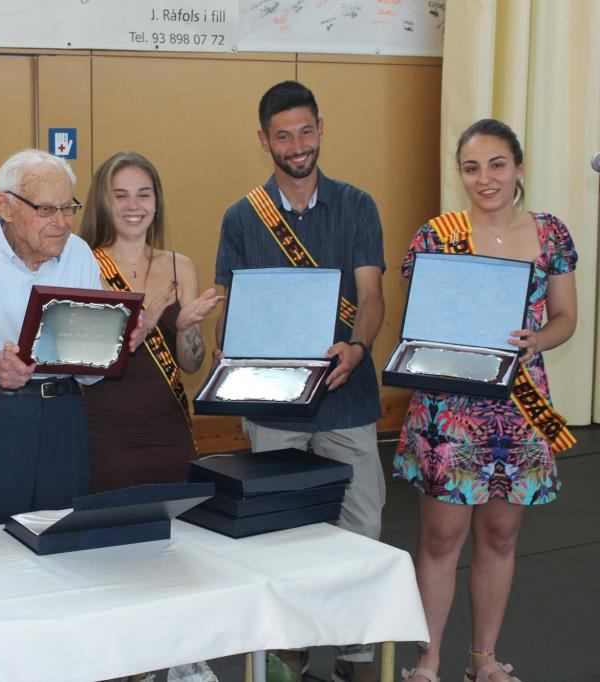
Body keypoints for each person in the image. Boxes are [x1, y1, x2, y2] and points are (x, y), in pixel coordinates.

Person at [214, 80, 386, 682]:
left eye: (306, 130)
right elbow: (236, 314)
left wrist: (358, 346)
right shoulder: (241, 218)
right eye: (283, 134)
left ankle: (356, 654)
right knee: (280, 532)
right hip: (274, 406)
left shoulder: (358, 205)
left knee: (361, 526)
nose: (297, 144)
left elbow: (371, 296)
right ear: (264, 140)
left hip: (348, 395)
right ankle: (288, 657)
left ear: (321, 128)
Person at [395, 119, 578, 682]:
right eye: (472, 168)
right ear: (461, 175)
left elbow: (566, 318)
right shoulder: (436, 234)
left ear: (519, 168)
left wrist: (536, 341)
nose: (485, 178)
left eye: (497, 164)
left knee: (500, 535)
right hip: (450, 408)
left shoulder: (551, 234)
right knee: (440, 537)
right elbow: (422, 322)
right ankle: (427, 663)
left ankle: (484, 661)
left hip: (518, 407)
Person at [0, 149, 143, 532]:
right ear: (4, 205)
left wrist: (112, 347)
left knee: (61, 549)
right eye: (46, 210)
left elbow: (89, 376)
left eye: (69, 208)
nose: (62, 223)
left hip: (64, 421)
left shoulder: (79, 255)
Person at [79, 151, 222, 491]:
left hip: (171, 433)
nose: (134, 205)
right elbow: (80, 363)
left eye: (144, 194)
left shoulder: (179, 266)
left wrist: (187, 329)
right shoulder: (82, 264)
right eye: (121, 195)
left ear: (156, 203)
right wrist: (135, 331)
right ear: (103, 202)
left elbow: (192, 365)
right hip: (105, 435)